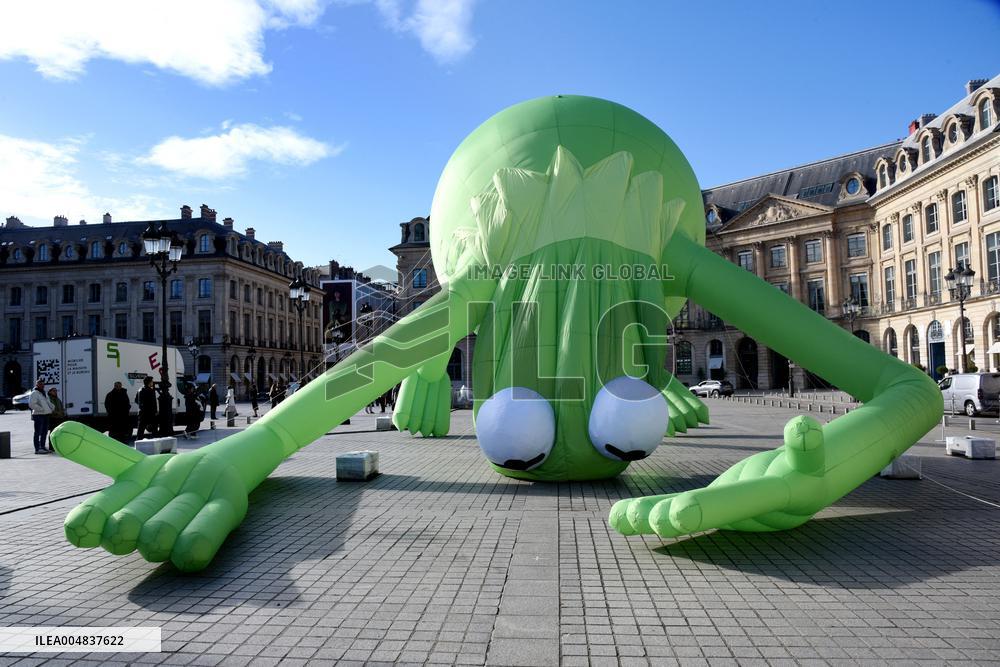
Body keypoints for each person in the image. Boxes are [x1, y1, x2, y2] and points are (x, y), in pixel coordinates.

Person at [28, 379, 53, 455]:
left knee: (44, 432)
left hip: (46, 414)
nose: (42, 385)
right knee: (37, 432)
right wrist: (41, 409)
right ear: (37, 384)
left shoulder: (43, 392)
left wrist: (52, 407)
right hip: (38, 415)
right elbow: (31, 404)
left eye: (43, 384)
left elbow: (48, 402)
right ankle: (37, 449)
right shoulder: (34, 393)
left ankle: (42, 447)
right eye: (41, 384)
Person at [46, 387, 65, 452]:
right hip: (53, 418)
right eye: (53, 391)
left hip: (59, 418)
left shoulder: (57, 399)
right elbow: (49, 408)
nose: (55, 392)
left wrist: (62, 412)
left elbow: (61, 406)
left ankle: (58, 446)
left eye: (56, 391)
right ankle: (51, 447)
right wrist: (56, 413)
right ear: (50, 392)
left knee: (59, 433)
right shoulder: (48, 399)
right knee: (52, 432)